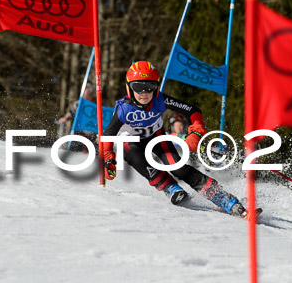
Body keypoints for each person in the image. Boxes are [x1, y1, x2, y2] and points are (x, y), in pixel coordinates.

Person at [102, 61, 257, 218]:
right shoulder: (124, 109)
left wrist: (195, 133)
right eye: (138, 87)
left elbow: (193, 111)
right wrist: (108, 159)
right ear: (129, 88)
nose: (144, 93)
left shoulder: (160, 100)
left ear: (156, 88)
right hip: (130, 142)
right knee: (143, 164)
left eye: (149, 87)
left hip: (156, 136)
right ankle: (169, 187)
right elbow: (108, 135)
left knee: (179, 167)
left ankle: (223, 198)